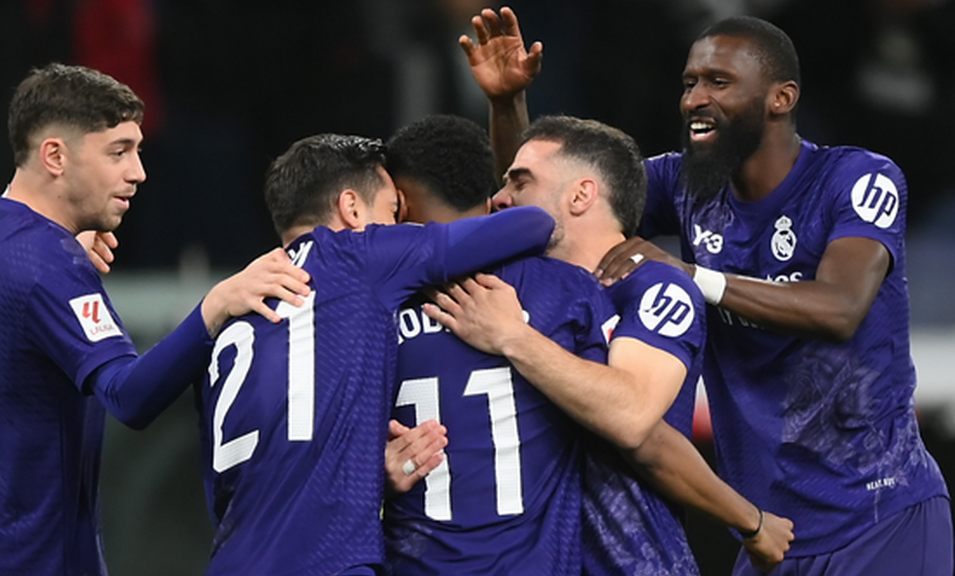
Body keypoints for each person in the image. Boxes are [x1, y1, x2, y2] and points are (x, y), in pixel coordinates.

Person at [470, 8, 953, 575]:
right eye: (690, 83)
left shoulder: (857, 179)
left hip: (880, 513)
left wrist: (693, 276)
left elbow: (839, 308)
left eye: (718, 82)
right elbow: (552, 207)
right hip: (772, 532)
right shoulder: (684, 184)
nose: (694, 98)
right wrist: (508, 105)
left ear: (781, 98)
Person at [0, 63, 309, 575]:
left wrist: (63, 256)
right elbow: (128, 396)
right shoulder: (48, 268)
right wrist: (214, 307)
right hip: (30, 559)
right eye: (118, 152)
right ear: (55, 156)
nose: (138, 172)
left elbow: (11, 322)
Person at [420, 113, 791, 575]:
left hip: (633, 563)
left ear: (581, 194)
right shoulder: (515, 291)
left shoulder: (654, 287)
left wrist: (513, 337)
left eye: (519, 181)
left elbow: (632, 416)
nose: (498, 199)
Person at [193, 131, 556, 575]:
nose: (398, 226)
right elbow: (535, 222)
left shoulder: (232, 311)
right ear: (351, 209)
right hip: (328, 561)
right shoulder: (359, 258)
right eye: (393, 212)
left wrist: (362, 467)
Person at [379, 113, 611, 575]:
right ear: (490, 203)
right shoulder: (569, 290)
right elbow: (619, 425)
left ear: (399, 205)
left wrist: (373, 475)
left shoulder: (370, 309)